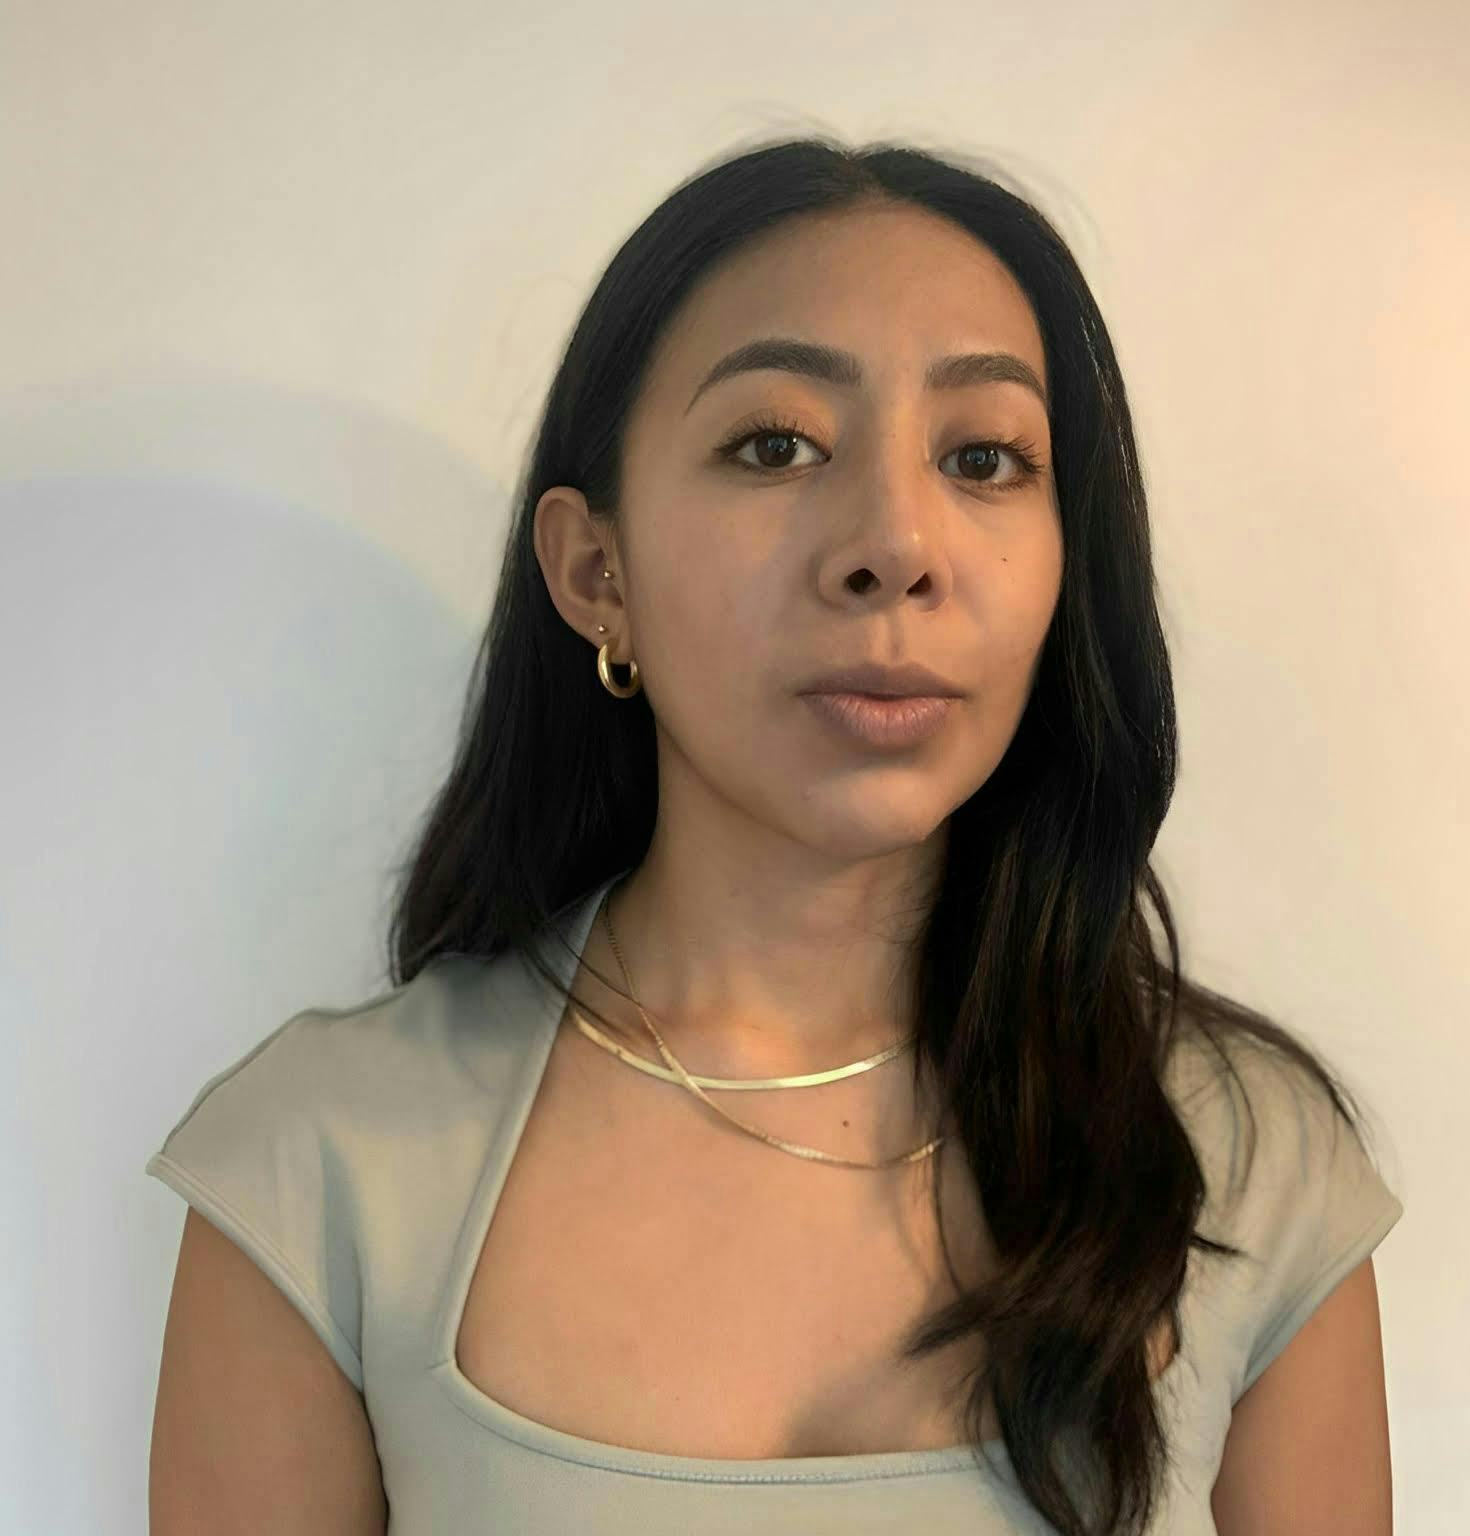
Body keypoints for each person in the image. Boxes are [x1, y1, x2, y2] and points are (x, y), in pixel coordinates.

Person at [146, 136, 1403, 1535]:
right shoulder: (321, 1174)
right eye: (774, 443)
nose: (895, 543)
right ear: (594, 571)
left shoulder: (1243, 1168)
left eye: (985, 457)